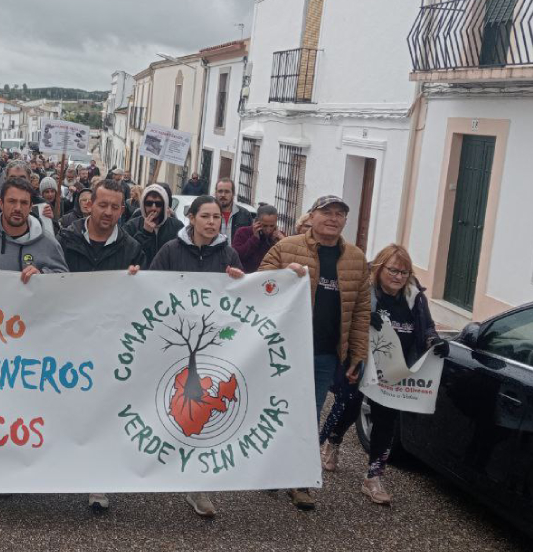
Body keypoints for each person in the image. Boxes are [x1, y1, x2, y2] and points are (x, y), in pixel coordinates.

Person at [259, 195, 371, 511]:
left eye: (340, 214)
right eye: (327, 213)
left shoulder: (356, 259)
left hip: (325, 354)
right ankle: (271, 469)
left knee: (310, 415)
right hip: (284, 350)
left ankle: (299, 481)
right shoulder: (287, 247)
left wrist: (357, 354)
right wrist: (282, 274)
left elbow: (362, 310)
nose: (333, 219)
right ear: (313, 216)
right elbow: (259, 282)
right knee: (278, 410)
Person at [318, 244, 448, 505]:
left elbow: (427, 327)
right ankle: (333, 440)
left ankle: (373, 477)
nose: (398, 277)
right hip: (363, 365)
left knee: (386, 420)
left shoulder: (414, 297)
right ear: (379, 268)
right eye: (393, 270)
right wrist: (366, 317)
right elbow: (345, 319)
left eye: (404, 272)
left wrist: (435, 341)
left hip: (395, 370)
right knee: (350, 408)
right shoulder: (366, 292)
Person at [147, 195, 244, 518]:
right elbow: (151, 288)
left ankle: (197, 486)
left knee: (202, 413)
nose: (212, 222)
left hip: (212, 344)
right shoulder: (171, 251)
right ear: (191, 218)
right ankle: (154, 466)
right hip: (172, 341)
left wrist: (240, 283)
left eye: (217, 216)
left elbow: (241, 298)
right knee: (164, 405)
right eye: (205, 216)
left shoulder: (228, 254)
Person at [58, 178, 143, 510]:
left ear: (123, 210)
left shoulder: (133, 249)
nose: (108, 212)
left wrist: (140, 280)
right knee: (65, 407)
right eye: (102, 204)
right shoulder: (64, 238)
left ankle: (99, 482)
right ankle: (52, 469)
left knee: (104, 411)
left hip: (109, 341)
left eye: (115, 207)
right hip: (67, 337)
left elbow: (144, 297)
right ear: (89, 204)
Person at [0, 178, 68, 277]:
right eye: (12, 201)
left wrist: (41, 276)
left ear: (30, 207)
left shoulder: (48, 242)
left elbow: (63, 278)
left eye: (24, 203)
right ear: (1, 204)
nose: (18, 208)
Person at [124, 184, 184, 269]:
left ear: (164, 206)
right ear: (143, 205)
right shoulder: (131, 225)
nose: (153, 208)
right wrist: (145, 233)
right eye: (149, 203)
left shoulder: (177, 226)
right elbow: (128, 255)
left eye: (158, 204)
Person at [232, 204, 285, 273]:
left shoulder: (279, 235)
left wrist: (281, 241)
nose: (268, 230)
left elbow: (287, 259)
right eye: (265, 226)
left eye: (272, 226)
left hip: (269, 279)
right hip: (247, 277)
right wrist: (254, 238)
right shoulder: (242, 232)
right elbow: (237, 256)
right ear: (257, 221)